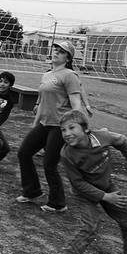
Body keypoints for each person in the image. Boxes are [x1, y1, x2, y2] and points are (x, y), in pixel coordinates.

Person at [42, 110, 127, 254]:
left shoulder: (102, 137)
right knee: (90, 227)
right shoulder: (67, 154)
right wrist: (105, 197)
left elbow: (123, 141)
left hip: (107, 187)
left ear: (85, 129)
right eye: (63, 130)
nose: (67, 134)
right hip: (86, 194)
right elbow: (78, 184)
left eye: (71, 128)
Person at [16, 40, 83, 213]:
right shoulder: (46, 75)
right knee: (24, 153)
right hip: (45, 123)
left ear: (67, 58)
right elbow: (41, 103)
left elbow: (76, 104)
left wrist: (77, 128)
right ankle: (32, 191)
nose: (56, 53)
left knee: (49, 164)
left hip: (60, 126)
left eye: (61, 52)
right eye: (56, 50)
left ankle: (58, 203)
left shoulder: (70, 76)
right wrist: (35, 124)